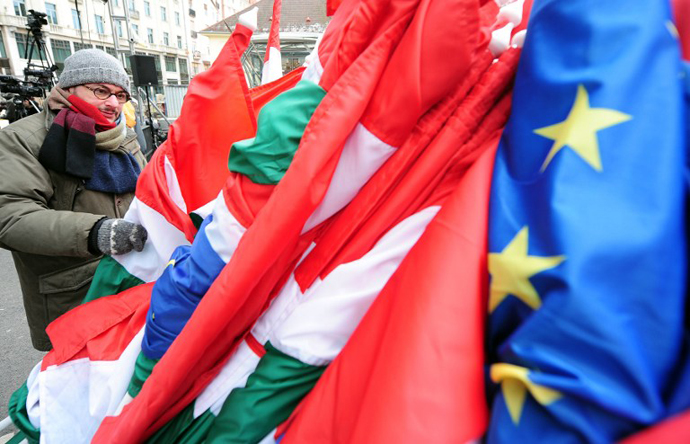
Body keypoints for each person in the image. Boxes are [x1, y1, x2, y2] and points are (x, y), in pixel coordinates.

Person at [0, 49, 148, 351]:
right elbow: (11, 216)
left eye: (120, 95)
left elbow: (148, 195)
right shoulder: (23, 139)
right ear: (69, 88)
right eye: (100, 91)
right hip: (72, 295)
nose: (112, 103)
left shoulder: (125, 137)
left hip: (132, 285)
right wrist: (96, 232)